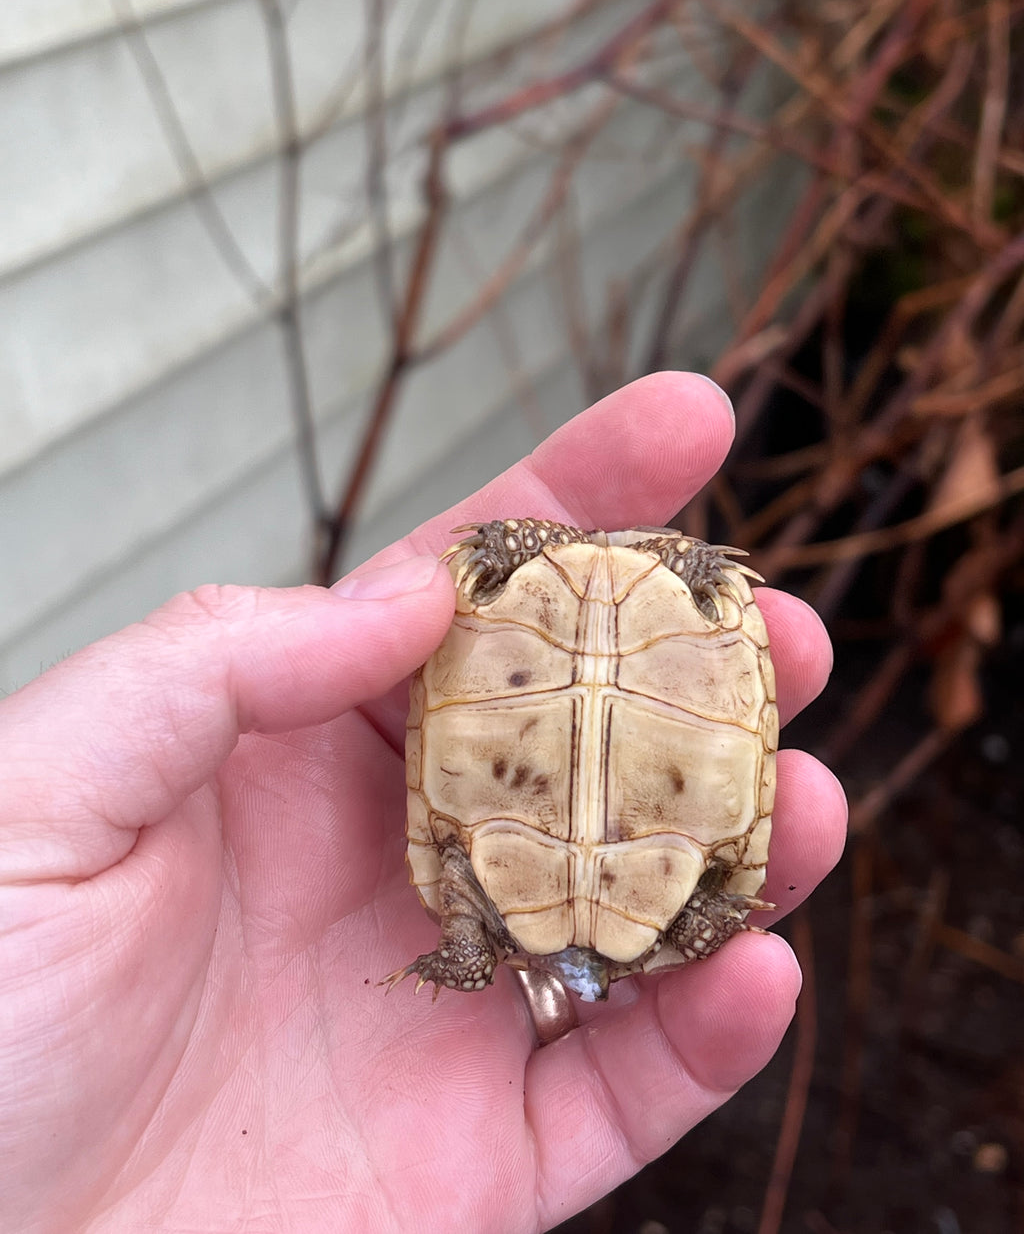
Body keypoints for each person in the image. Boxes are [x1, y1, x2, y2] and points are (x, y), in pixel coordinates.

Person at [0, 372, 845, 1234]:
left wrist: (469, 945)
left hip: (526, 611)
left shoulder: (482, 897)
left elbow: (467, 871)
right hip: (677, 614)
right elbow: (727, 865)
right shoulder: (625, 889)